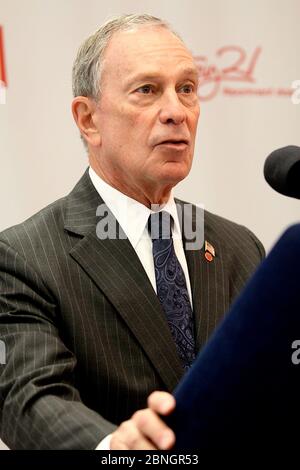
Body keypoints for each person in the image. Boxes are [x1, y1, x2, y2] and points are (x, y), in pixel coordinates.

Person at [0, 14, 264, 450]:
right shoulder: (24, 256)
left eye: (186, 89)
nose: (177, 112)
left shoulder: (239, 246)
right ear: (88, 119)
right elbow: (27, 396)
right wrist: (110, 449)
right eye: (147, 90)